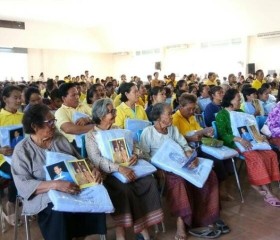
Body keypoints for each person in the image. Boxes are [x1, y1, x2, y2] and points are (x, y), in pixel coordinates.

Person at [11, 104, 106, 240]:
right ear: (35, 126)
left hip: (72, 186)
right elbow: (23, 185)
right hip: (44, 195)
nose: (54, 125)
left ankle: (80, 236)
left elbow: (78, 160)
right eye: (49, 122)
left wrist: (92, 170)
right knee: (59, 211)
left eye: (54, 120)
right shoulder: (22, 150)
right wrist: (55, 185)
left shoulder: (58, 138)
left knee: (94, 198)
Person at [140, 103, 227, 240]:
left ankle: (207, 216)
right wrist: (157, 169)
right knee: (179, 181)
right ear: (158, 116)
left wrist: (190, 155)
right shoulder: (148, 132)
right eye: (169, 114)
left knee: (209, 175)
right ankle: (181, 221)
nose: (172, 116)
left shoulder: (173, 130)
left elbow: (185, 145)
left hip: (182, 163)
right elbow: (144, 155)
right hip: (165, 168)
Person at [85, 98, 163, 240]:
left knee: (149, 182)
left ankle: (141, 228)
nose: (115, 114)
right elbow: (97, 160)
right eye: (111, 112)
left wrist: (135, 155)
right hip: (108, 174)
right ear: (102, 116)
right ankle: (125, 233)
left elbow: (136, 147)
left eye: (114, 110)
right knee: (125, 190)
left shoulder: (117, 130)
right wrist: (119, 169)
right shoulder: (91, 136)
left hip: (130, 169)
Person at [216, 89, 280, 207]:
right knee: (256, 157)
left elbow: (251, 127)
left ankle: (264, 186)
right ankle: (267, 192)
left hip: (249, 141)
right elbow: (223, 134)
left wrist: (260, 137)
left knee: (270, 154)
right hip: (234, 143)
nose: (240, 101)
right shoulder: (221, 115)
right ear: (230, 100)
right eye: (238, 99)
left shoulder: (240, 111)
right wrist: (239, 139)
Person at [0, 85, 23, 226]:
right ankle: (12, 205)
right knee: (18, 171)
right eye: (15, 97)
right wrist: (1, 150)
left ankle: (28, 202)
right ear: (5, 99)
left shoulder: (23, 116)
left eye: (20, 97)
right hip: (3, 159)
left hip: (21, 156)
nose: (19, 100)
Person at [55, 83, 94, 148]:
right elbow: (69, 129)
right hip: (74, 146)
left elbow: (98, 117)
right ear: (64, 98)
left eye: (77, 94)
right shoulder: (60, 112)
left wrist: (88, 119)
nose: (77, 97)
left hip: (93, 140)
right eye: (73, 95)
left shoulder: (83, 105)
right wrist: (95, 127)